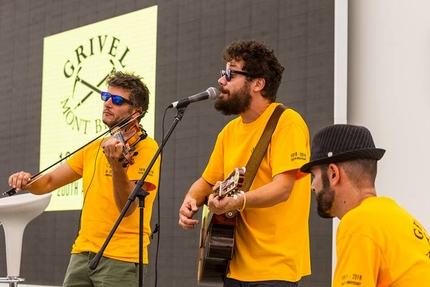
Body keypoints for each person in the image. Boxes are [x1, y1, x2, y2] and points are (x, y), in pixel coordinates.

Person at [179, 39, 312, 286]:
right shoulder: (229, 132)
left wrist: (238, 201)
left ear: (258, 83)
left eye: (230, 74)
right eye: (223, 73)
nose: (221, 81)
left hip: (275, 268)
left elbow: (283, 188)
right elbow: (208, 181)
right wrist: (191, 200)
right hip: (231, 266)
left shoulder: (287, 123)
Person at [8, 71, 160, 287]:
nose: (107, 103)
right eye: (105, 97)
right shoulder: (95, 146)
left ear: (136, 112)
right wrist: (28, 181)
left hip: (121, 257)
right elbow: (49, 182)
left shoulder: (146, 147)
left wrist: (116, 164)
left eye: (117, 100)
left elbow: (128, 207)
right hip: (82, 253)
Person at [300, 124, 430, 286]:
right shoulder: (397, 217)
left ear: (334, 174)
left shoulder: (358, 224)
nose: (313, 186)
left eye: (315, 175)